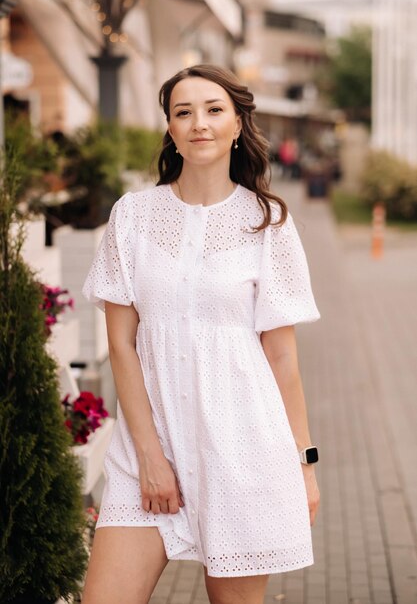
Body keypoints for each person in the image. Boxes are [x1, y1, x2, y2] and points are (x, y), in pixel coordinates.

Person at [81, 64, 320, 604]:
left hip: (242, 452)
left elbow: (282, 358)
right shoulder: (133, 216)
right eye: (183, 112)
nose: (199, 124)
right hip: (146, 449)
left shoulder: (269, 222)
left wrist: (304, 465)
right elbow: (121, 345)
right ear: (169, 127)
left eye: (214, 110)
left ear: (238, 123)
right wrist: (149, 455)